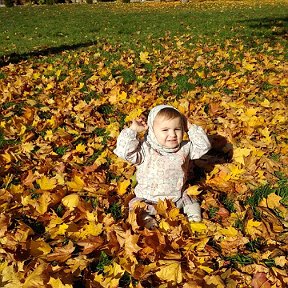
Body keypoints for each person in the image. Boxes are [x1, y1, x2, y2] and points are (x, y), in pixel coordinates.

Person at [114, 104, 211, 229]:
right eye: (165, 130)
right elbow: (124, 152)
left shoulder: (184, 148)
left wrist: (190, 127)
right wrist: (132, 130)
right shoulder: (145, 150)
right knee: (135, 204)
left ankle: (193, 214)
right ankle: (147, 219)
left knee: (189, 195)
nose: (172, 134)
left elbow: (204, 146)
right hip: (148, 198)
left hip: (176, 198)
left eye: (177, 129)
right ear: (153, 131)